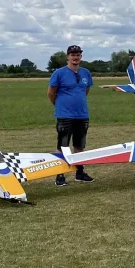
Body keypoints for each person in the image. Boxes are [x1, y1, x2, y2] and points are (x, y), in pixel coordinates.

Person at [47, 44, 94, 186]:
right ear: (68, 57)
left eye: (78, 55)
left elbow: (85, 91)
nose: (75, 57)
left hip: (82, 115)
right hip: (65, 115)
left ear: (81, 57)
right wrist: (61, 105)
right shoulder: (59, 73)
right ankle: (59, 175)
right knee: (62, 145)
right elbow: (51, 93)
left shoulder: (86, 73)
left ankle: (79, 172)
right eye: (73, 55)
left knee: (79, 145)